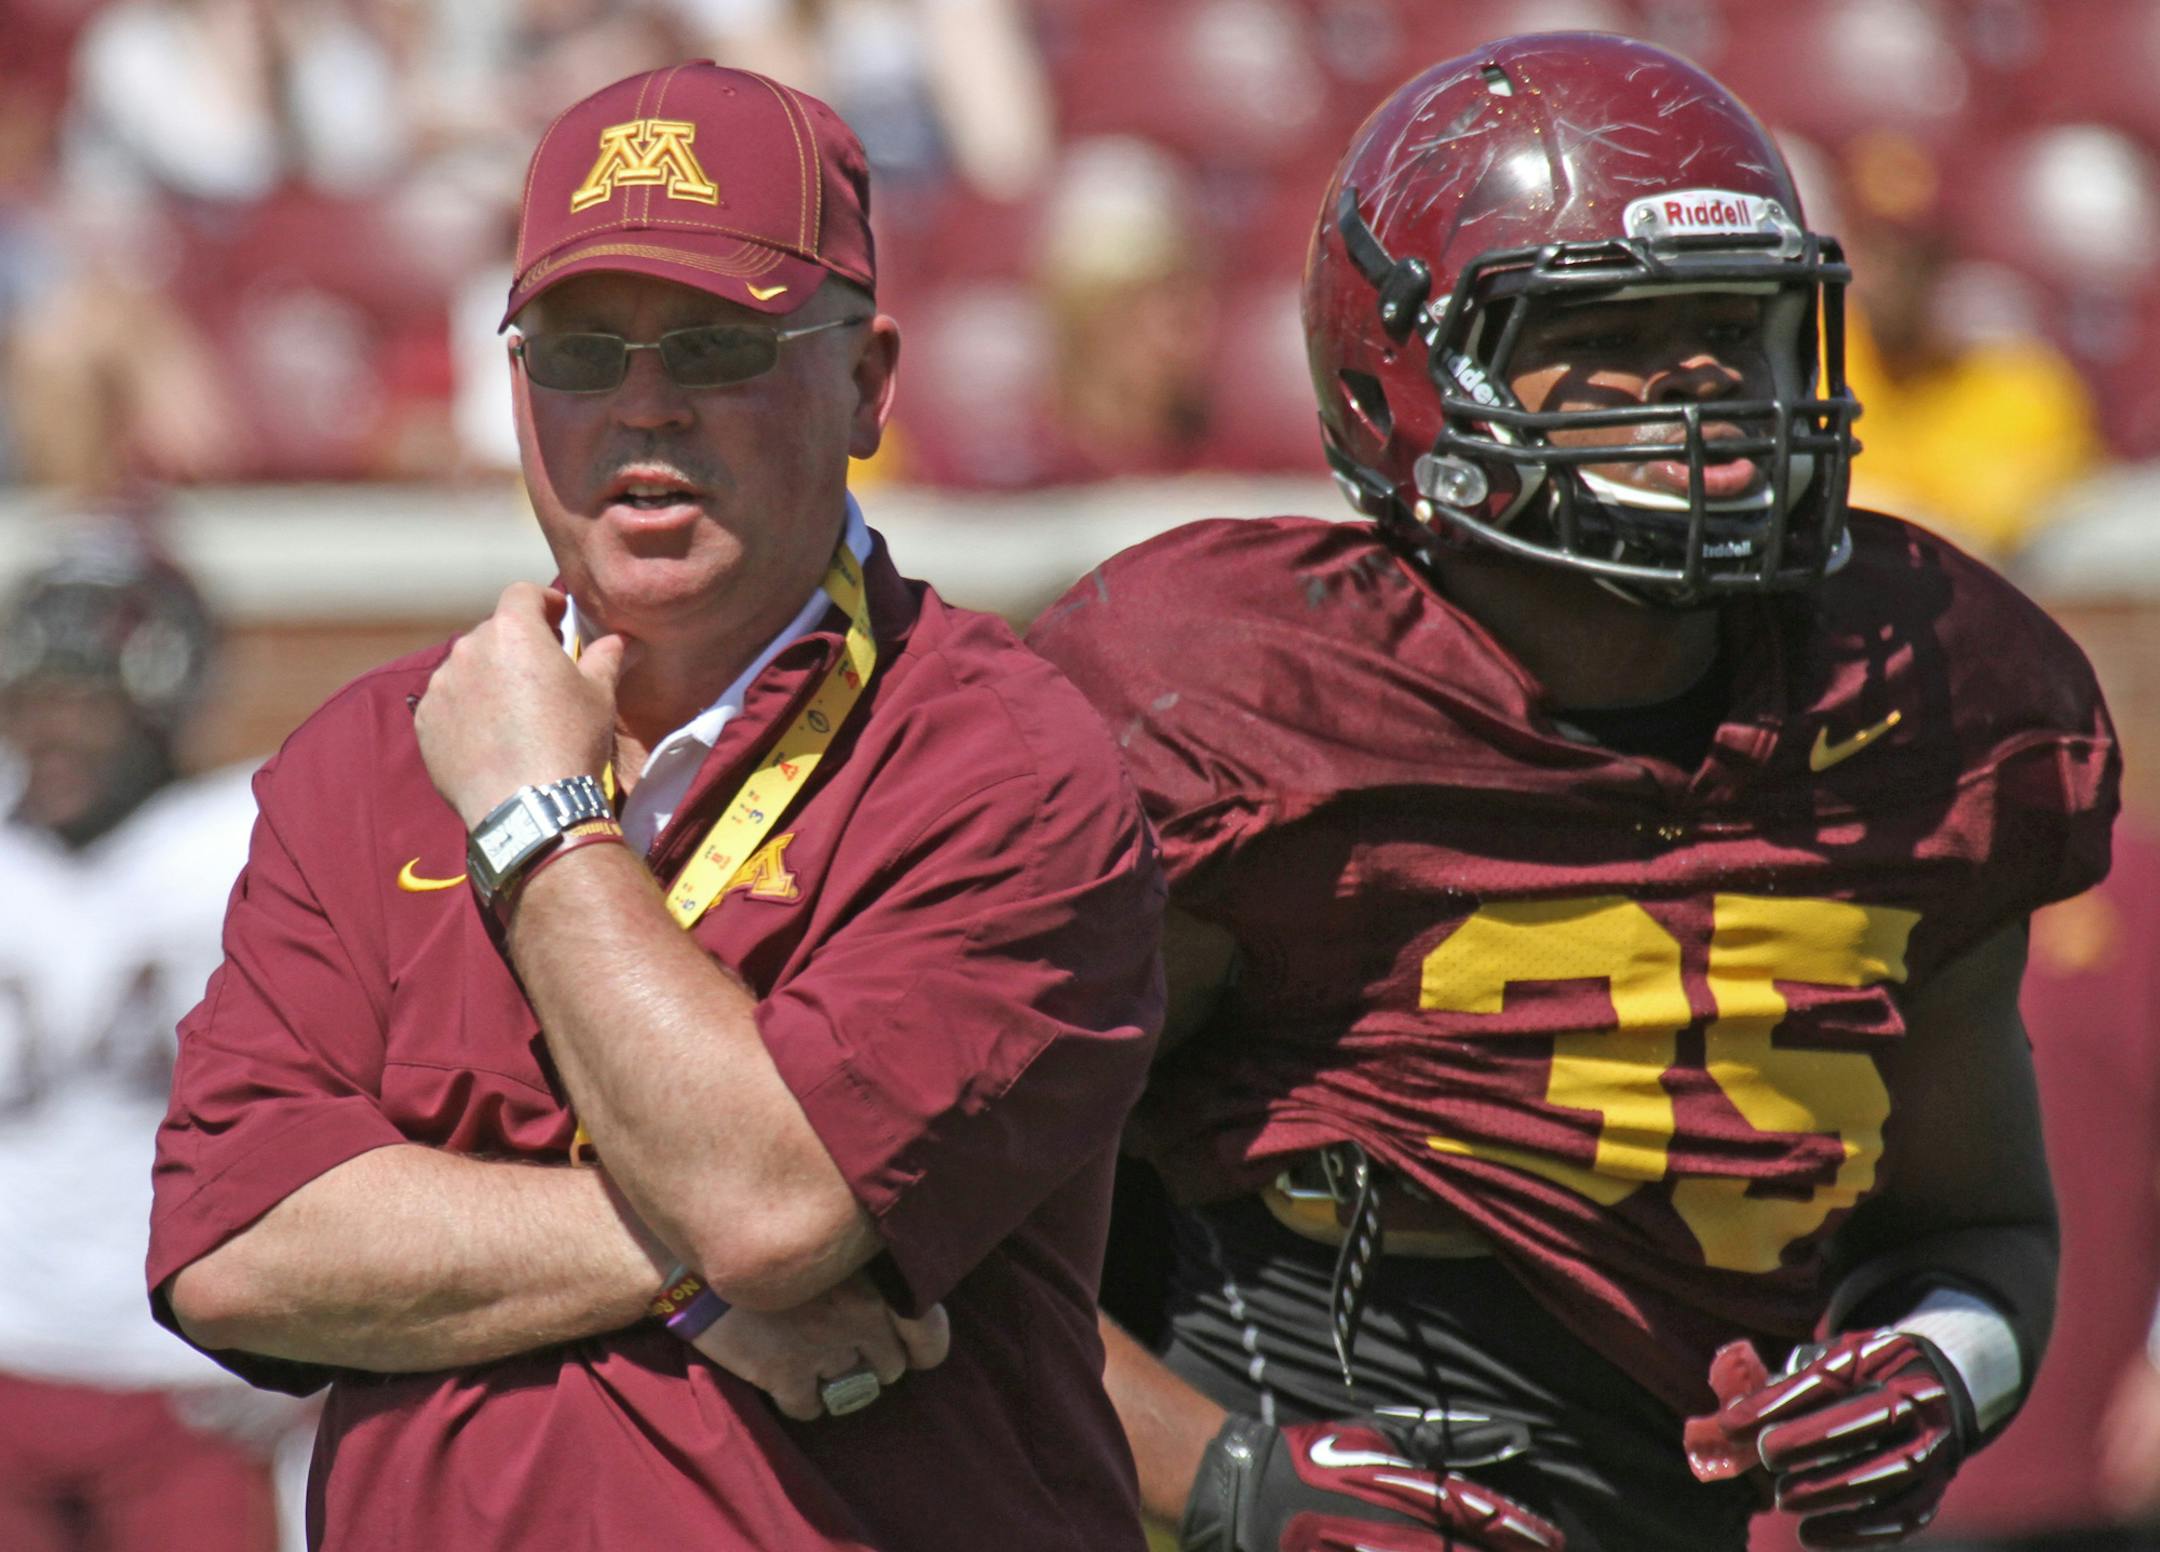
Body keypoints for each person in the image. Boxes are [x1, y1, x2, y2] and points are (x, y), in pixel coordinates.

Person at [1027, 32, 2119, 1552]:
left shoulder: (1921, 709)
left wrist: (1937, 1365)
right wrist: (1224, 1482)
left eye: (1736, 327)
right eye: (1613, 332)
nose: (1701, 383)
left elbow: (1977, 1224)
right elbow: (948, 1241)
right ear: (1405, 372)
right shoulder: (1254, 717)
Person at [146, 61, 1164, 1552]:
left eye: (715, 344)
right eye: (574, 352)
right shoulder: (365, 753)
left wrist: (540, 819)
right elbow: (232, 1249)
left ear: (869, 382)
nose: (642, 405)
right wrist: (693, 1277)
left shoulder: (1003, 764)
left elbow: (768, 1202)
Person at [0, 524, 302, 1552]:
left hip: (179, 1374)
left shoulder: (246, 843)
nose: (53, 732)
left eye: (86, 702)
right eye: (34, 697)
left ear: (161, 707)